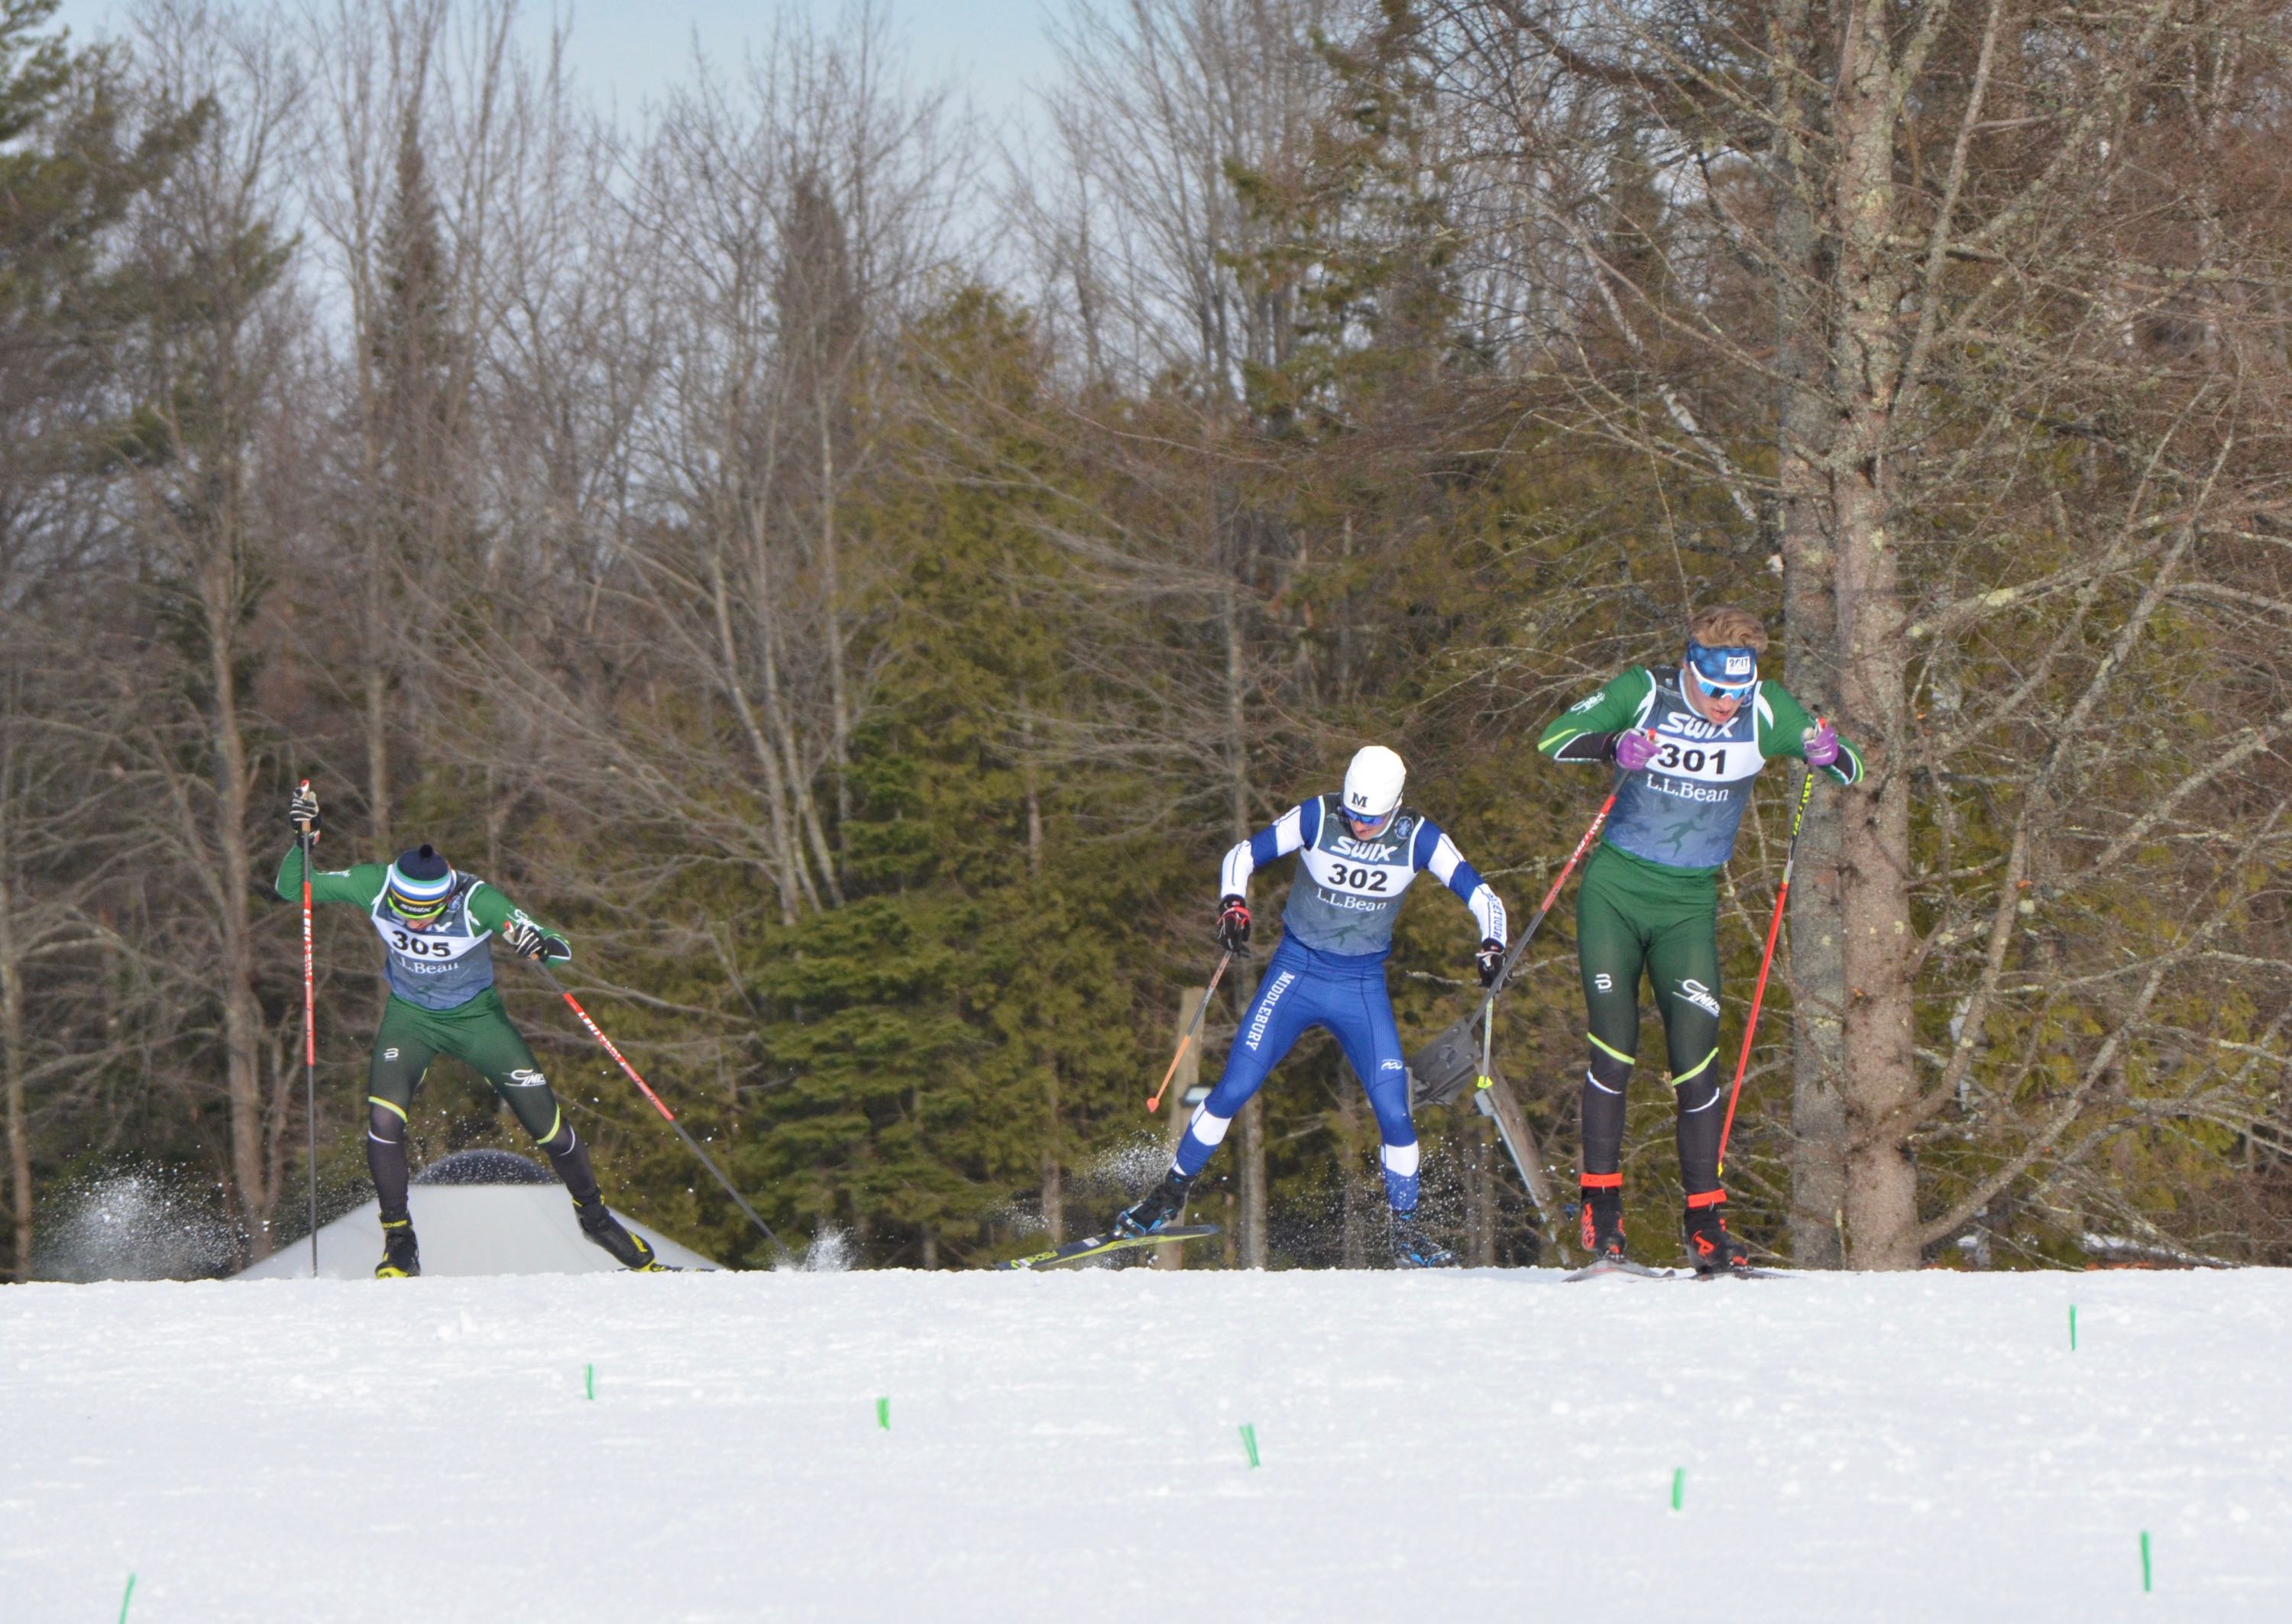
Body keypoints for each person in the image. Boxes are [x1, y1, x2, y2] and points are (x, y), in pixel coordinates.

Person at [1536, 606, 1865, 1273]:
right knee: (1614, 1049)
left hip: (1689, 907)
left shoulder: (1765, 709)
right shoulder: (1646, 691)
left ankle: (1707, 1227)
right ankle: (1603, 1215)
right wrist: (1612, 746)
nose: (1726, 705)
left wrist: (1830, 754)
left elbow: (1850, 768)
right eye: (1716, 690)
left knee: (1697, 1064)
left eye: (1738, 692)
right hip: (1616, 894)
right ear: (1691, 668)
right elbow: (1554, 737)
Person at [1115, 746, 1510, 1268]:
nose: (1360, 826)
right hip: (1295, 973)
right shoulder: (1318, 816)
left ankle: (1408, 1234)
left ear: (1394, 807)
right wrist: (1233, 904)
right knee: (1233, 1087)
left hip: (1361, 986)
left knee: (1395, 1111)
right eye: (1354, 813)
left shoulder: (1418, 837)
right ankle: (1167, 1196)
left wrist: (1492, 946)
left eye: (1372, 819)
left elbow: (1485, 898)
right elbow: (1241, 856)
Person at [280, 785, 667, 1276]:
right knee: (383, 1123)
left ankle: (595, 1218)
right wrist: (305, 841)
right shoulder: (373, 884)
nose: (415, 925)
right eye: (405, 914)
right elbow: (295, 888)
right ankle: (399, 1240)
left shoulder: (477, 900)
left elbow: (559, 946)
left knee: (550, 1130)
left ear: (444, 899)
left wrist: (537, 943)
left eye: (426, 915)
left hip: (478, 1020)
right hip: (411, 1019)